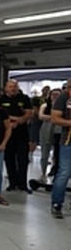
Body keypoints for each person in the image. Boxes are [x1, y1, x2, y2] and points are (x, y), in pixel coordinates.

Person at [0, 80, 33, 193]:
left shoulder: (24, 98)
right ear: (6, 88)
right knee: (9, 159)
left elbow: (29, 112)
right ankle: (12, 183)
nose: (12, 89)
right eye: (10, 87)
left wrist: (20, 120)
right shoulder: (1, 100)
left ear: (17, 87)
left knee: (23, 159)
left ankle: (23, 184)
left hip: (22, 134)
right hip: (7, 134)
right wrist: (12, 120)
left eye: (14, 86)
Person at [50, 78, 71, 219]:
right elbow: (55, 118)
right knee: (64, 172)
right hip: (68, 141)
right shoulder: (64, 97)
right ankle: (57, 203)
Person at [39, 88, 61, 181]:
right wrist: (55, 117)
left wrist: (52, 118)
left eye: (57, 94)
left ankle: (56, 173)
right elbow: (41, 116)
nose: (55, 96)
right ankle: (43, 173)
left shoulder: (63, 106)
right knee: (45, 151)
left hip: (59, 129)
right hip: (46, 129)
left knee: (58, 152)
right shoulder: (45, 105)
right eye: (53, 94)